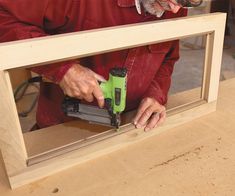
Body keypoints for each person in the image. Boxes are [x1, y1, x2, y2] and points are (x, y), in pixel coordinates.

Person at [0, 0, 202, 131]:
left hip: (130, 126)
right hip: (65, 126)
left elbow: (168, 58)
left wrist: (155, 95)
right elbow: (4, 18)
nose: (176, 9)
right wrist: (61, 68)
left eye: (190, 2)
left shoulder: (173, 7)